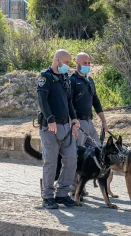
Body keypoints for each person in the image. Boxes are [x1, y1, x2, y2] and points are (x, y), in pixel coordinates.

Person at [37, 49, 80, 209]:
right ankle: (48, 196)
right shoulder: (45, 77)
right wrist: (50, 119)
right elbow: (42, 100)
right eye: (67, 62)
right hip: (50, 127)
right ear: (58, 60)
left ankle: (62, 194)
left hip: (65, 126)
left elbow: (69, 102)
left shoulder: (65, 79)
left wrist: (74, 119)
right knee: (51, 161)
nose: (69, 66)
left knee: (71, 159)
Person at [69, 52, 109, 196]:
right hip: (78, 123)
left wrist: (104, 122)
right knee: (77, 156)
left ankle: (93, 185)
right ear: (76, 63)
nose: (87, 65)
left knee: (98, 151)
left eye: (89, 63)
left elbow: (96, 102)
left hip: (89, 122)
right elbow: (68, 104)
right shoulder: (71, 81)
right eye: (84, 63)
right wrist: (72, 122)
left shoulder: (90, 81)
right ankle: (75, 189)